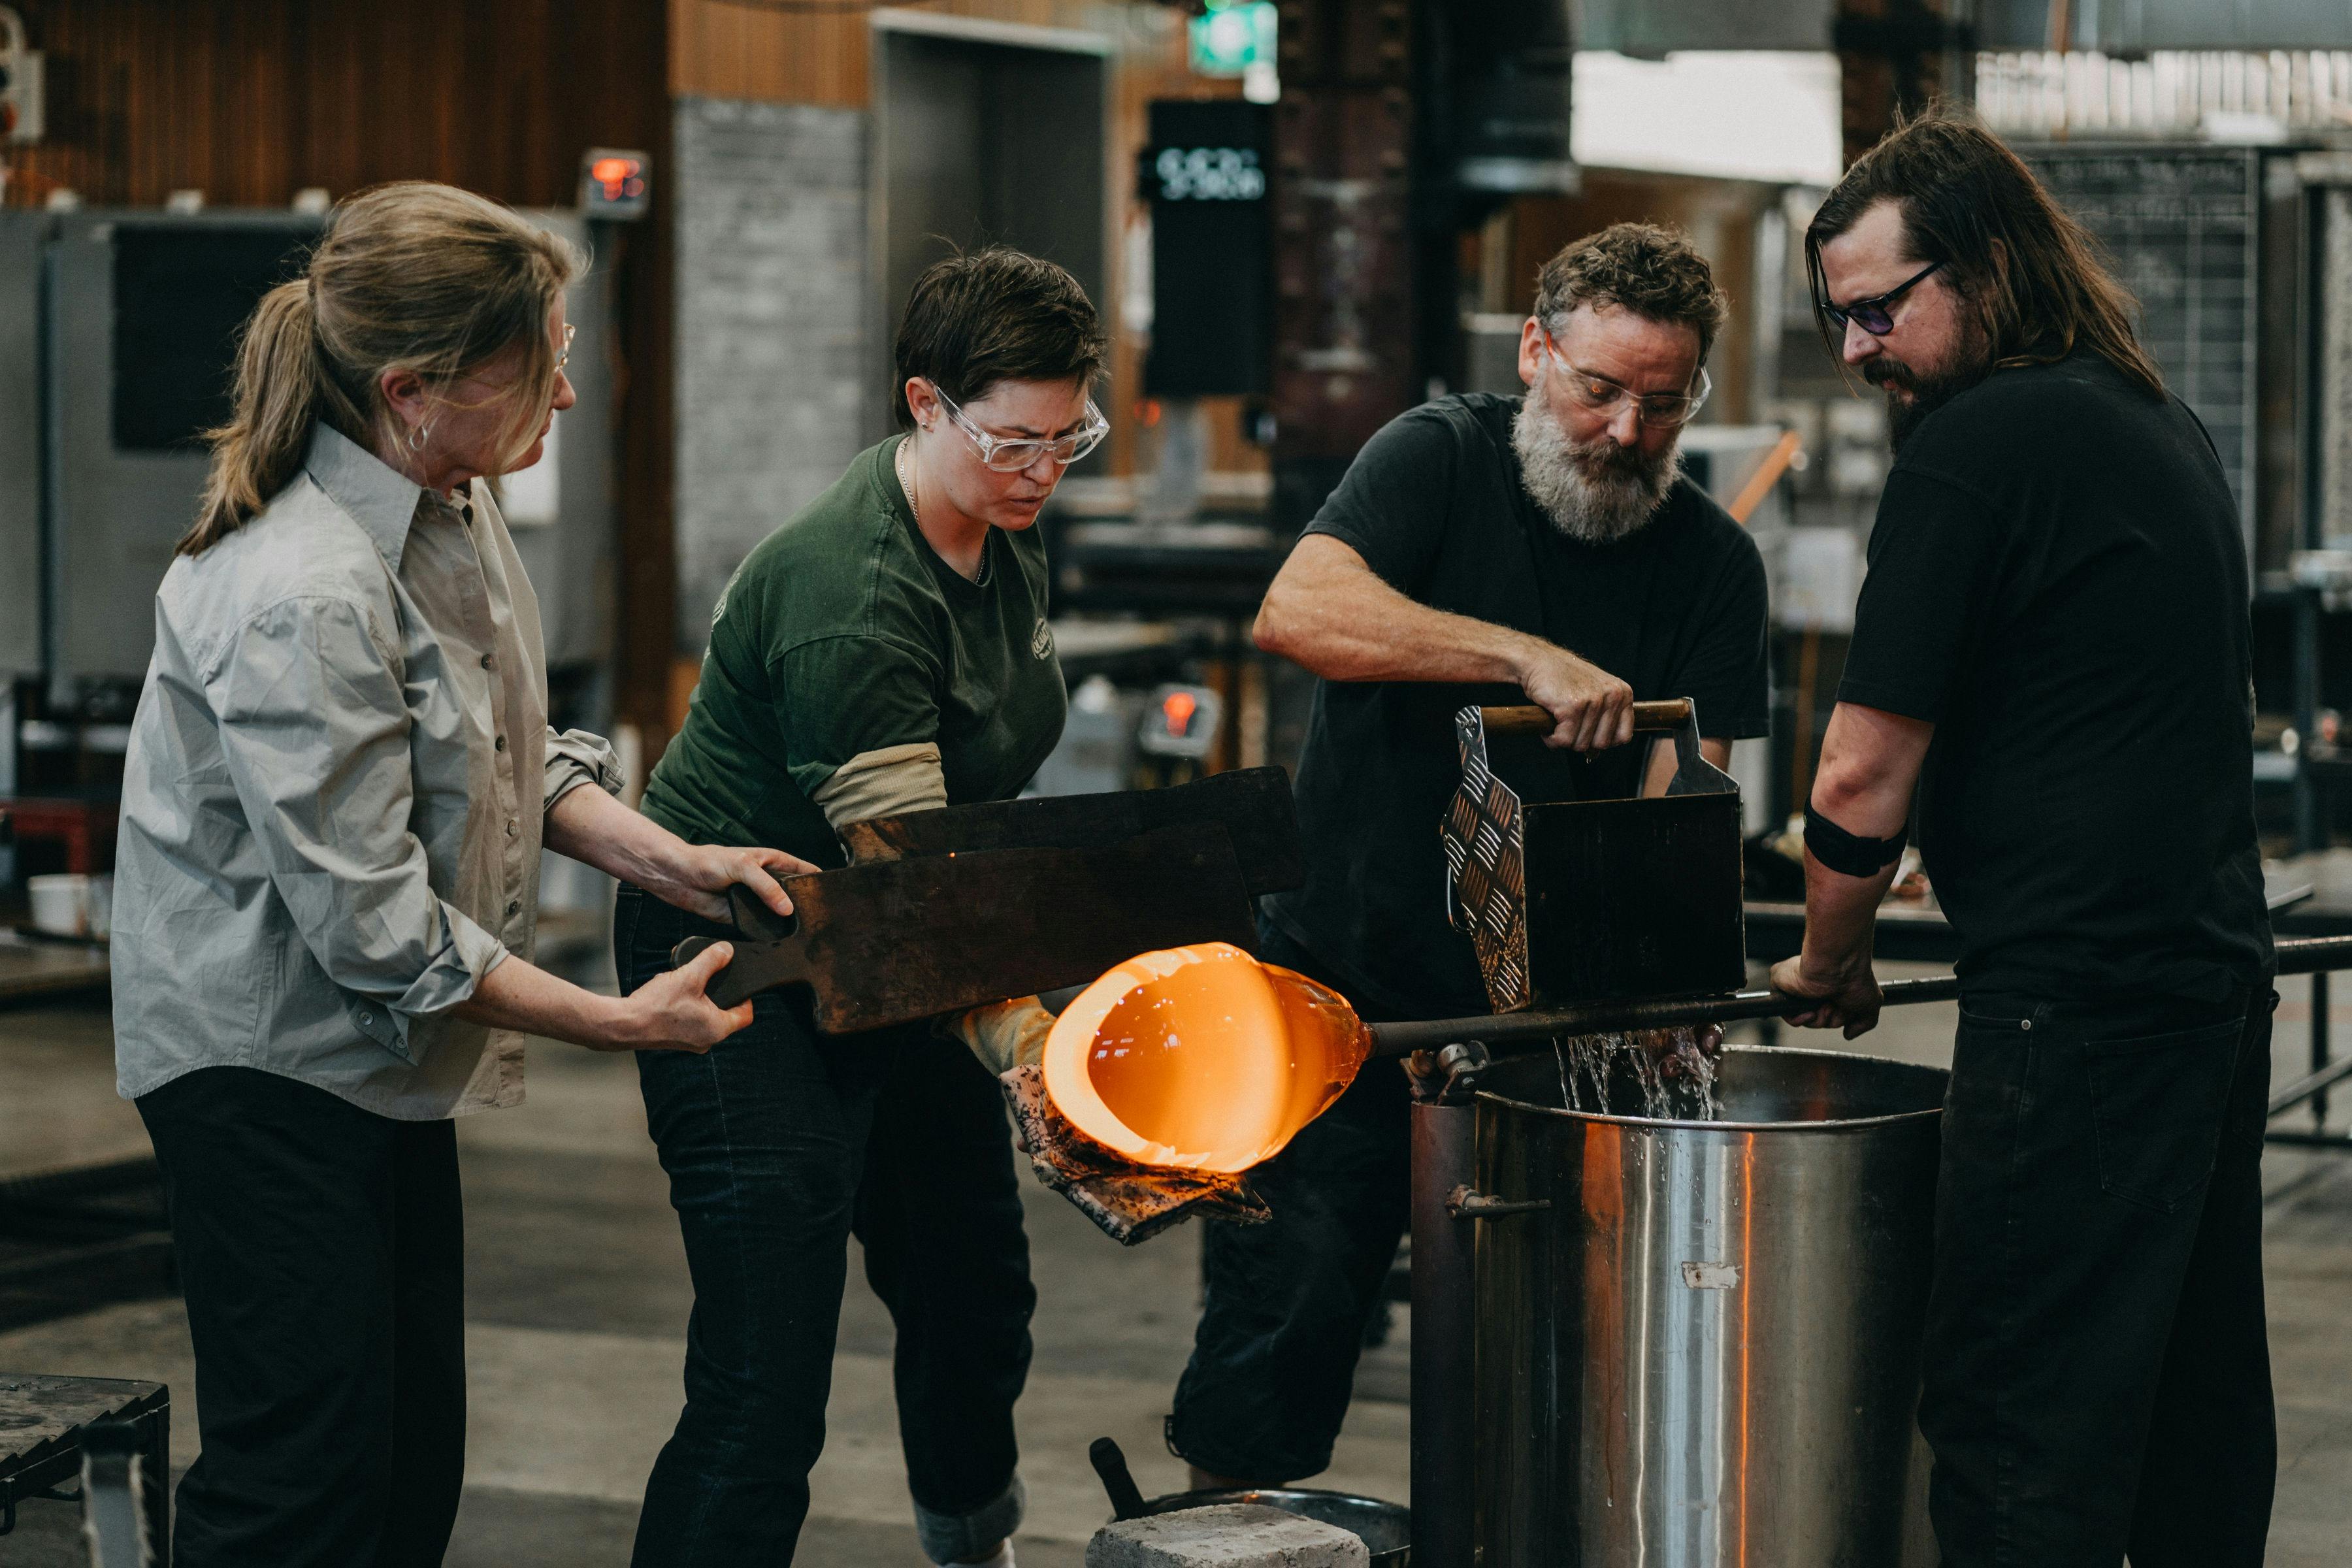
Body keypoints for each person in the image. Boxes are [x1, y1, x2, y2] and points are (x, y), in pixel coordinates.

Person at [112, 182, 808, 1568]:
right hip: (258, 1070)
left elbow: (511, 753)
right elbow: (375, 931)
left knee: (407, 1462)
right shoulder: (304, 588)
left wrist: (678, 858)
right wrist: (622, 1025)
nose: (568, 384)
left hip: (373, 1061)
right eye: (538, 357)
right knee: (299, 1476)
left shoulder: (459, 503)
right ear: (414, 389)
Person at [1169, 223, 1772, 1487]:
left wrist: (1673, 982)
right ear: (1536, 350)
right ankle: (1227, 1527)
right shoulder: (1438, 457)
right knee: (1283, 1311)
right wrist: (1520, 658)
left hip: (1552, 1023)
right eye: (1598, 390)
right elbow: (1302, 610)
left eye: (1663, 406)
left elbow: (1687, 792)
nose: (1624, 432)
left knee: (1554, 1346)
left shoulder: (1713, 562)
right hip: (1342, 989)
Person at [1769, 111, 2276, 1568]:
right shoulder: (2143, 412)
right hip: (2199, 993)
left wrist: (1825, 956)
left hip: (2074, 1013)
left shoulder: (1976, 441)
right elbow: (2106, 700)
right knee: (2187, 1403)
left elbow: (1861, 775)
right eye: (1838, 318)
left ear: (1986, 267)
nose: (1860, 347)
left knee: (2014, 1419)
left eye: (1881, 308)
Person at [619, 246, 1107, 1568]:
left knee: (971, 1293)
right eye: (1014, 440)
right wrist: (1039, 1058)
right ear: (923, 403)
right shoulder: (852, 596)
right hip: (745, 952)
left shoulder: (1004, 520)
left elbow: (943, 856)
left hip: (903, 921)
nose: (1044, 471)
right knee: (769, 1359)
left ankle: (973, 1546)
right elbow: (905, 892)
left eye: (1071, 439)